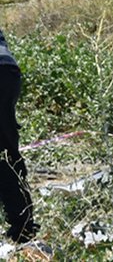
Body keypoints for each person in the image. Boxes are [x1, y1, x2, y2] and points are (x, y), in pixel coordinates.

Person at [0, 28, 38, 243]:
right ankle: (22, 223)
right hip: (7, 71)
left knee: (4, 156)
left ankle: (21, 224)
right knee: (6, 151)